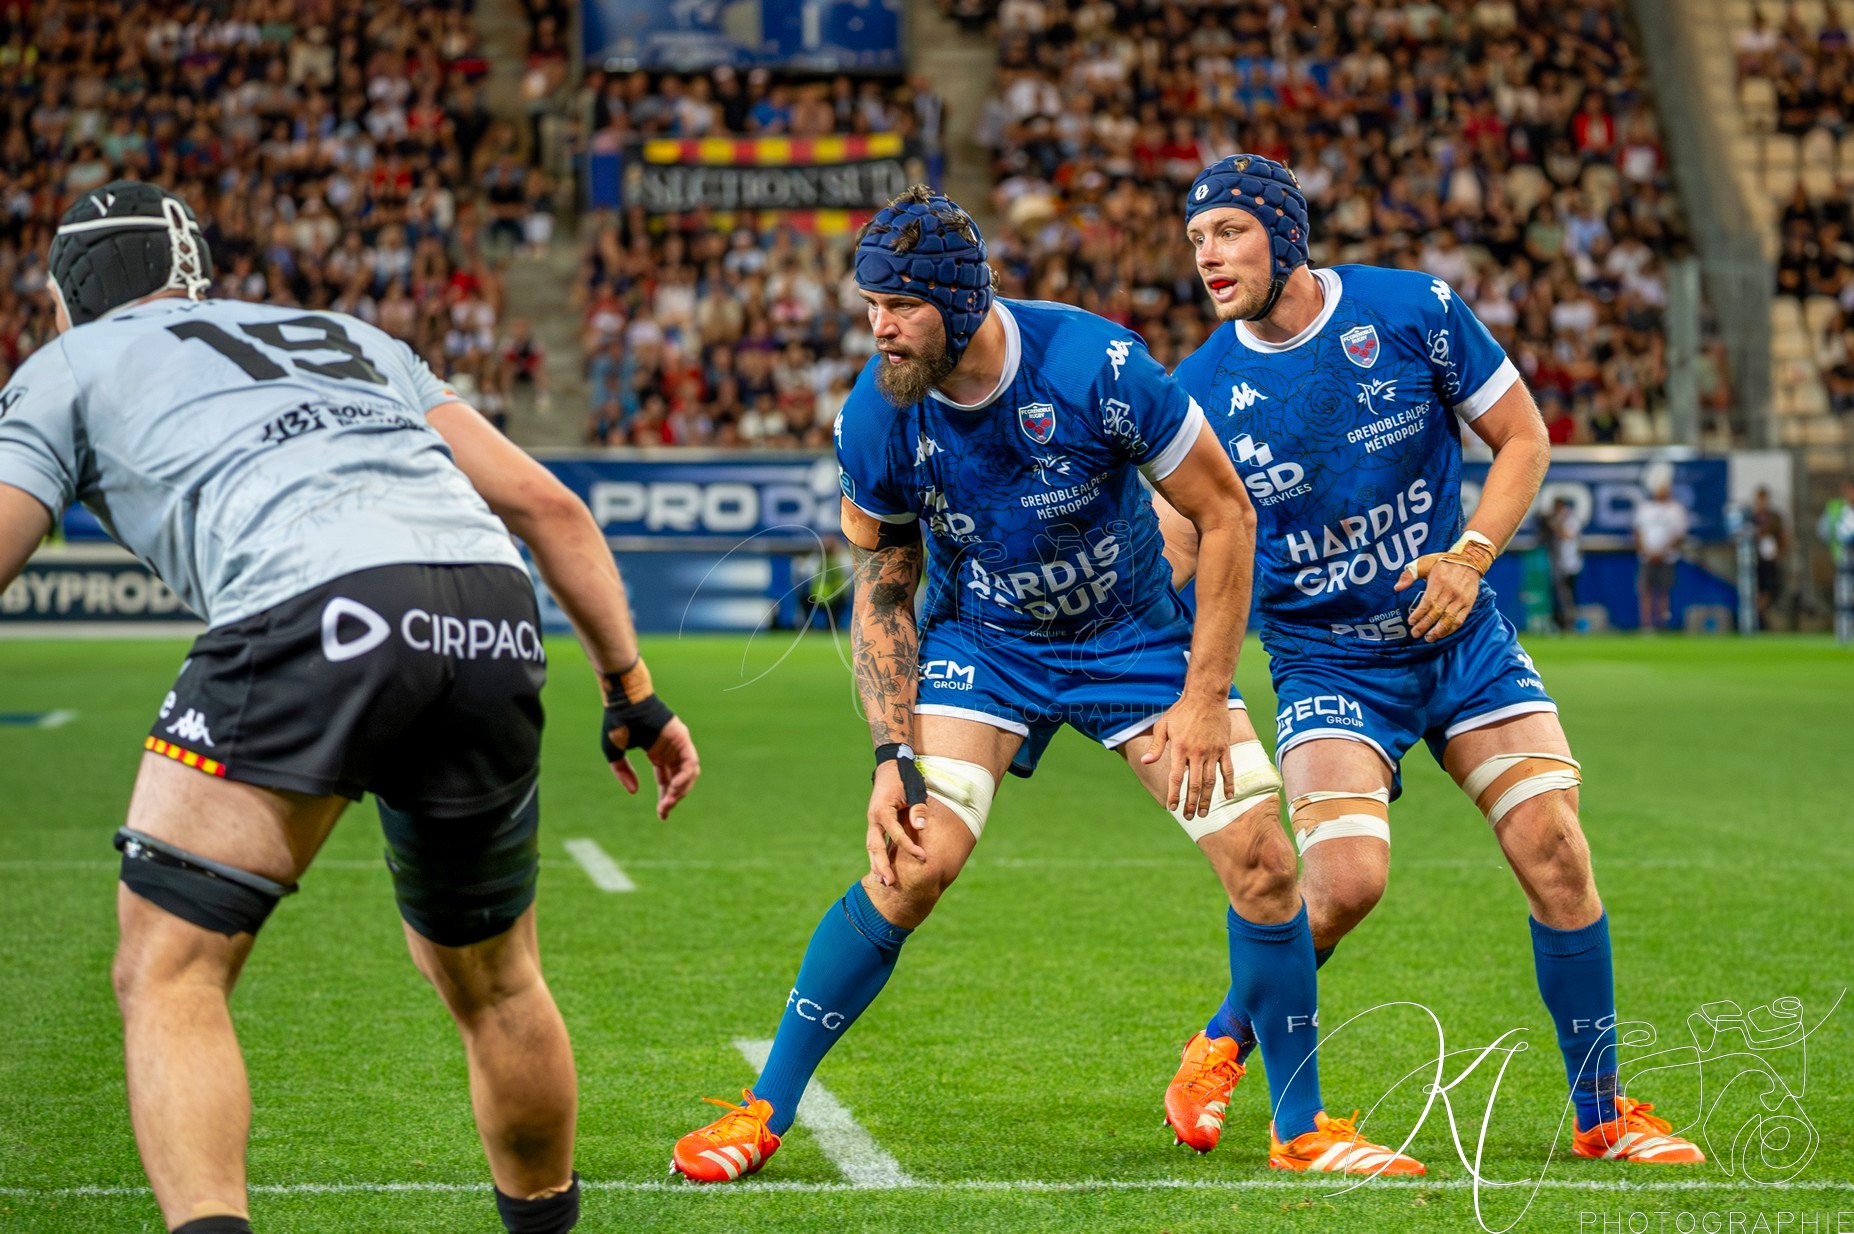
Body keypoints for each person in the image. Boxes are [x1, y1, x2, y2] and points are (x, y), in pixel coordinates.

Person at [668, 185, 1422, 1183]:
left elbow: (1227, 514)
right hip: (985, 646)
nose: (878, 329)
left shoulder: (1094, 365)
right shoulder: (877, 416)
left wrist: (1203, 696)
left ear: (961, 302)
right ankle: (763, 1109)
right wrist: (891, 755)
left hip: (1134, 641)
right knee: (913, 862)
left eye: (898, 306)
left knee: (1264, 860)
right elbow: (886, 591)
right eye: (868, 306)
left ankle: (1302, 1128)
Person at [0, 182, 702, 1234]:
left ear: (64, 299)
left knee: (171, 966)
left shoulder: (64, 367)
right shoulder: (347, 333)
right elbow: (547, 505)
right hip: (487, 608)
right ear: (194, 276)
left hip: (313, 605)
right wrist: (634, 696)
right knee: (499, 984)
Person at [1159, 155, 1703, 1165]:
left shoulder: (1414, 310)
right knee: (1347, 883)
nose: (1208, 256)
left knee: (1556, 848)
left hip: (1462, 638)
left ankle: (1602, 1112)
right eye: (1197, 240)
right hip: (1329, 663)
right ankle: (1226, 1039)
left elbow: (1525, 438)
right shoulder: (1200, 389)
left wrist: (1470, 554)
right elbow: (1176, 547)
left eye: (1228, 231)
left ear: (1284, 233)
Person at [1633, 473, 1690, 632]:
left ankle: (1662, 624)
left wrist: (1662, 551)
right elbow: (1637, 532)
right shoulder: (1645, 508)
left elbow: (1680, 535)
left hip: (1667, 558)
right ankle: (1646, 625)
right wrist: (1647, 551)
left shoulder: (1675, 509)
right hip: (1647, 557)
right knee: (1645, 591)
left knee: (1664, 591)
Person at [1544, 495, 1586, 633]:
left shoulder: (1570, 519)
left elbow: (1567, 535)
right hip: (1560, 562)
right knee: (1561, 594)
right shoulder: (1559, 519)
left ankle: (1571, 623)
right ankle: (1563, 622)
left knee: (1569, 594)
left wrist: (1557, 524)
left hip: (1571, 562)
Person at [1748, 486, 1789, 630]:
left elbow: (1784, 537)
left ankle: (1762, 617)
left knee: (1771, 590)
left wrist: (1781, 553)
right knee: (1755, 590)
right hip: (1754, 561)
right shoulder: (1751, 518)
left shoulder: (1775, 518)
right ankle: (1759, 620)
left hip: (1770, 560)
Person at [1820, 476, 1854, 645]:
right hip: (1844, 558)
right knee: (1844, 597)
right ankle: (1844, 635)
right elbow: (1824, 531)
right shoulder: (1836, 508)